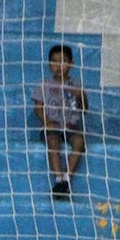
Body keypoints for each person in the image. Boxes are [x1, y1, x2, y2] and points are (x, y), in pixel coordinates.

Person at [31, 43, 86, 201]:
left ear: (71, 64)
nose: (59, 65)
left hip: (70, 126)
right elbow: (38, 107)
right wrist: (46, 121)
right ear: (49, 65)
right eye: (54, 62)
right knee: (53, 141)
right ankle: (58, 178)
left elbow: (84, 109)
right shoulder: (44, 84)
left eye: (63, 61)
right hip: (53, 126)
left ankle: (67, 178)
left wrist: (81, 96)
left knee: (79, 142)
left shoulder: (76, 84)